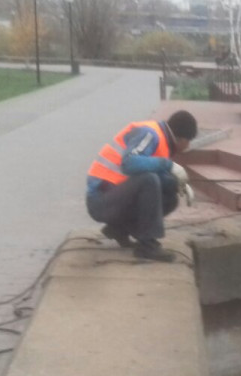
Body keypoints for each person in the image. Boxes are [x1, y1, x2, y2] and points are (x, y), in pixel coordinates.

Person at [85, 110, 198, 263]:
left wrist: (177, 183)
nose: (188, 146)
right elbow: (129, 163)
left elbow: (155, 177)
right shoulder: (150, 134)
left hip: (113, 197)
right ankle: (147, 246)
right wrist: (168, 165)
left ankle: (119, 229)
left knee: (170, 196)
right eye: (188, 141)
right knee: (148, 180)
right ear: (181, 138)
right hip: (100, 200)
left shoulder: (162, 141)